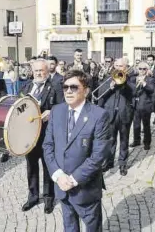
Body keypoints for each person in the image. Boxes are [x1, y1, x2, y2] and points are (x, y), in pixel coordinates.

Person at [43, 69, 111, 232]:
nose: (68, 91)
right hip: (62, 187)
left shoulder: (99, 115)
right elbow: (48, 146)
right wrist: (58, 175)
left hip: (85, 190)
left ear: (86, 91)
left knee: (93, 228)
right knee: (69, 227)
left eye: (73, 87)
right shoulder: (57, 111)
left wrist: (72, 180)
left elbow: (98, 156)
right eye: (65, 87)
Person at [20, 59, 64, 214]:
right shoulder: (26, 86)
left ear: (47, 71)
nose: (39, 73)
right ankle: (32, 197)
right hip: (29, 135)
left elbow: (64, 107)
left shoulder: (55, 87)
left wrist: (52, 112)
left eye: (42, 71)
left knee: (47, 167)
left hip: (46, 135)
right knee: (31, 167)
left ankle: (48, 199)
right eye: (36, 70)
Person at [98, 58, 135, 176]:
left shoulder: (130, 79)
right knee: (110, 140)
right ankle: (109, 162)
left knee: (124, 140)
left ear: (126, 67)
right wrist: (110, 86)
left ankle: (123, 163)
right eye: (117, 66)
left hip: (124, 114)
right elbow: (101, 94)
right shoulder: (108, 78)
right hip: (110, 114)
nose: (119, 68)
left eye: (121, 66)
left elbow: (133, 91)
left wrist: (124, 82)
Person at [130, 62, 155, 150]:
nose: (142, 71)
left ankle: (147, 142)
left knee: (146, 125)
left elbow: (151, 90)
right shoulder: (133, 78)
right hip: (135, 105)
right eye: (140, 68)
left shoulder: (150, 79)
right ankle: (136, 140)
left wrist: (144, 83)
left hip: (145, 105)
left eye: (144, 69)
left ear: (147, 70)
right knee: (136, 124)